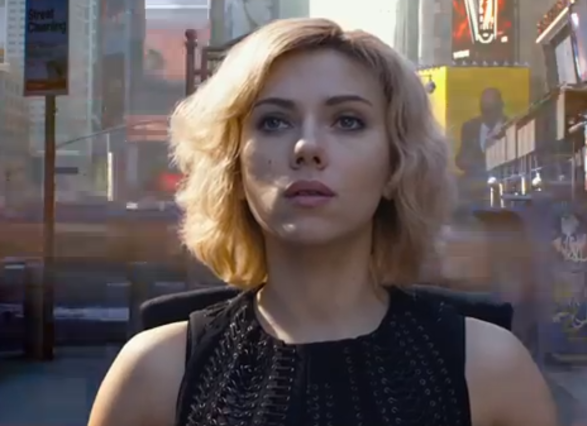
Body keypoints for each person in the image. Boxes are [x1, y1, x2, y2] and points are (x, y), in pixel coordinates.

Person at [88, 18, 556, 426]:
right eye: (274, 122)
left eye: (348, 121)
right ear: (233, 166)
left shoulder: (491, 370)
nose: (306, 147)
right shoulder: (154, 374)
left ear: (396, 165)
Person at [456, 87, 508, 203]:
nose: (488, 114)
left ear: (501, 107)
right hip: (475, 185)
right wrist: (470, 160)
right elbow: (460, 160)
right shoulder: (469, 127)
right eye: (485, 109)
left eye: (492, 108)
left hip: (504, 182)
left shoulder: (510, 126)